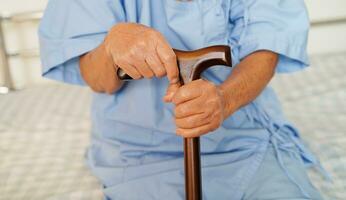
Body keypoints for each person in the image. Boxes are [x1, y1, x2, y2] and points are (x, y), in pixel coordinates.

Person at [38, 0, 325, 199]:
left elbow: (265, 51)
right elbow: (97, 79)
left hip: (245, 141)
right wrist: (112, 45)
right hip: (138, 153)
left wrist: (224, 100)